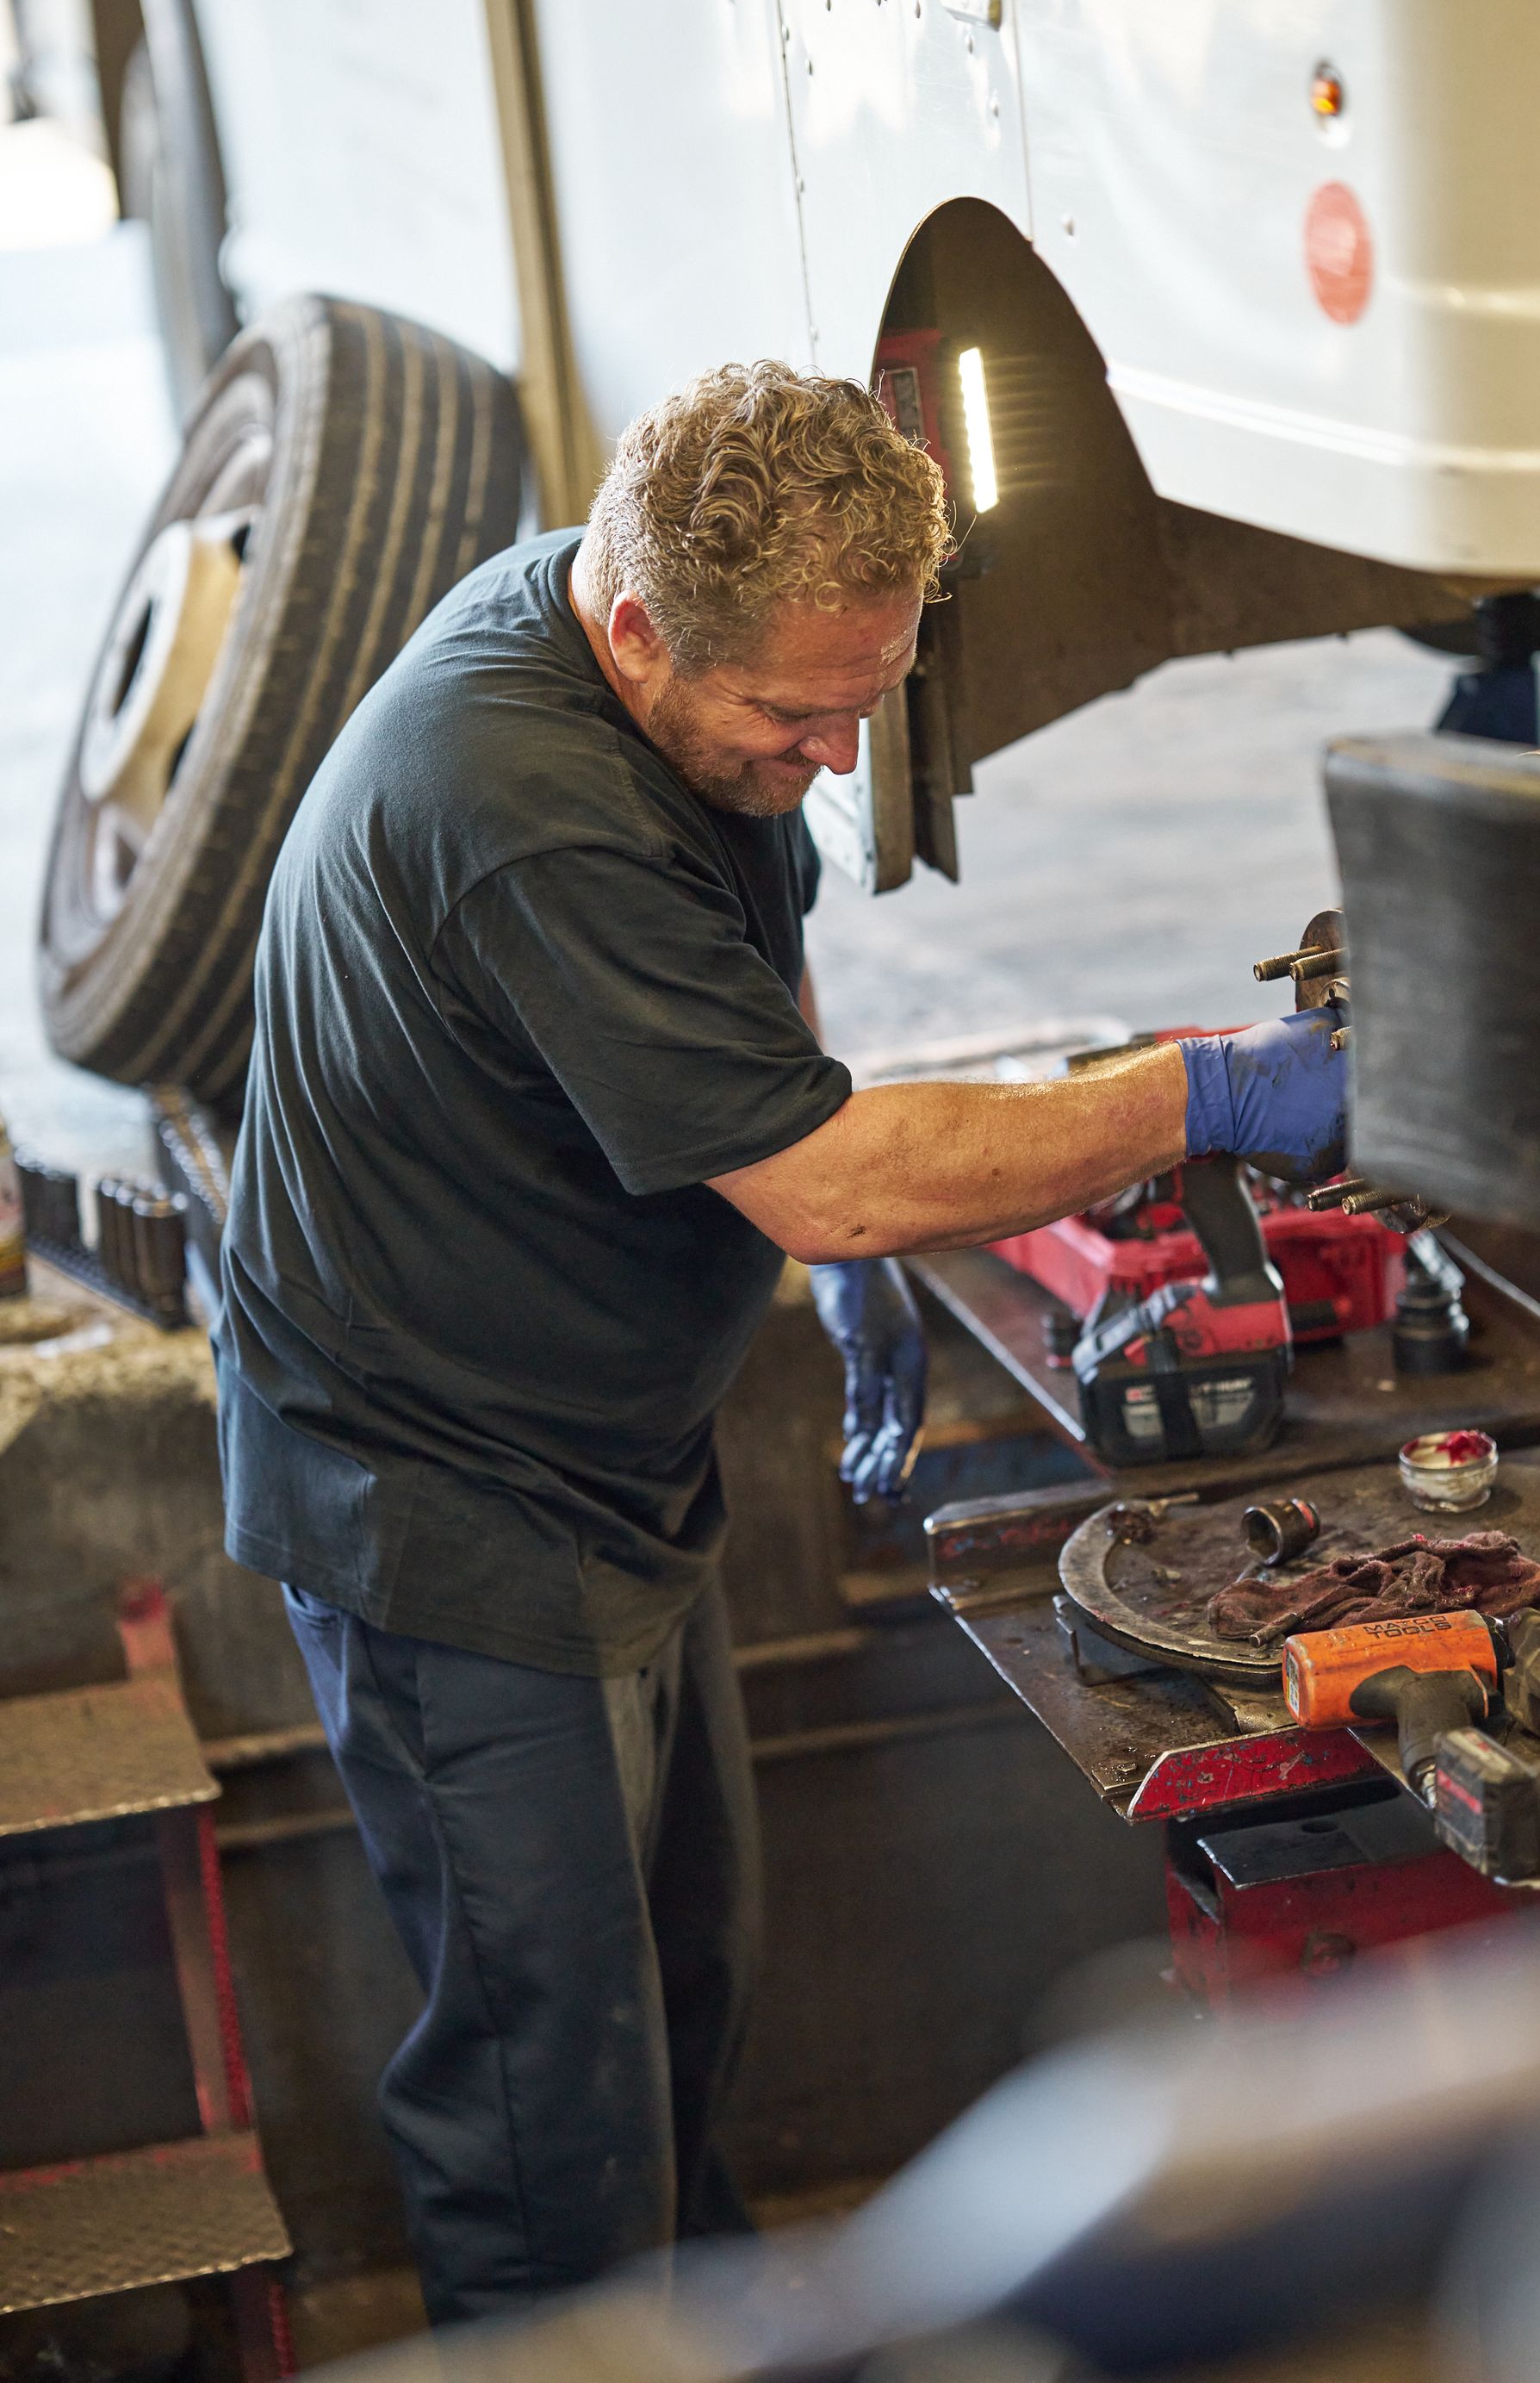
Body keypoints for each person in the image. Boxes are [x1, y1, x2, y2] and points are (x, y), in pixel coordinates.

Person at [213, 361, 1347, 2324]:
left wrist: (827, 1226)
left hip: (603, 1456)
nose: (834, 753)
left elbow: (760, 940)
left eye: (867, 699)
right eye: (793, 717)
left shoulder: (670, 651)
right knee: (544, 2092)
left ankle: (701, 2339)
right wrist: (1201, 1093)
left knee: (679, 1993)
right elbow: (830, 1181)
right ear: (637, 630)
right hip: (440, 1492)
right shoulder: (524, 803)